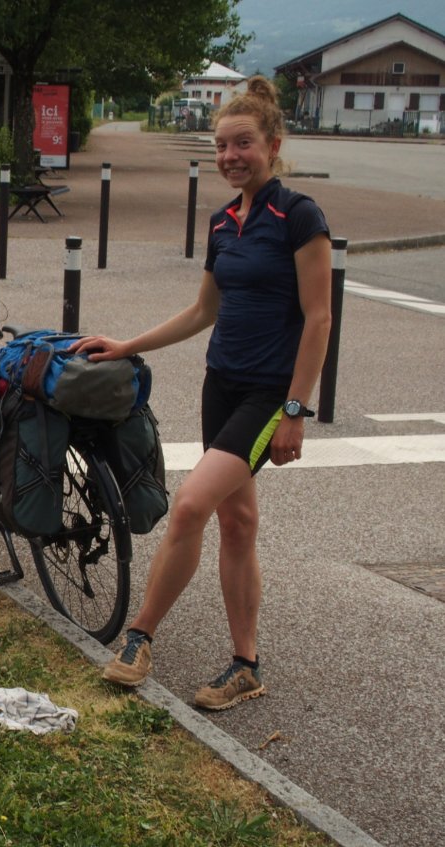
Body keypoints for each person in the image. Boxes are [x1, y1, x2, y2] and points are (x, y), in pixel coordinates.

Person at [70, 76, 332, 711]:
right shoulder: (222, 221)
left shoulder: (298, 216)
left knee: (189, 505)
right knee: (236, 521)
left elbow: (319, 318)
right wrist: (126, 345)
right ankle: (246, 665)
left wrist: (295, 411)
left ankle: (138, 637)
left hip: (270, 396)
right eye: (220, 146)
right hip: (224, 386)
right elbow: (202, 311)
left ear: (272, 144)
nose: (230, 156)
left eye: (243, 143)